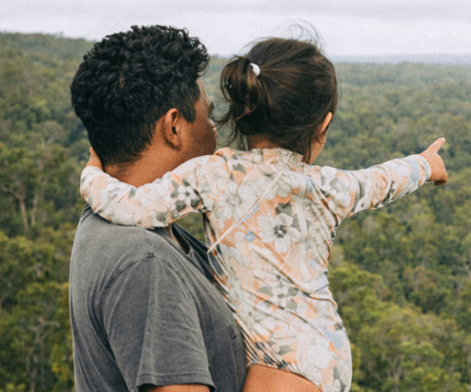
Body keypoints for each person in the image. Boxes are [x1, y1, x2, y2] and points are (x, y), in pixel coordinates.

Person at [79, 37, 449, 392]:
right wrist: (425, 164)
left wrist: (93, 175)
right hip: (320, 349)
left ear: (241, 112)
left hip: (278, 363)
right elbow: (381, 180)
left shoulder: (214, 174)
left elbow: (132, 206)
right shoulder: (326, 186)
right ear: (322, 126)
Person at [68, 26, 248, 392]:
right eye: (208, 116)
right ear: (174, 126)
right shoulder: (145, 261)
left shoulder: (126, 222)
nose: (215, 132)